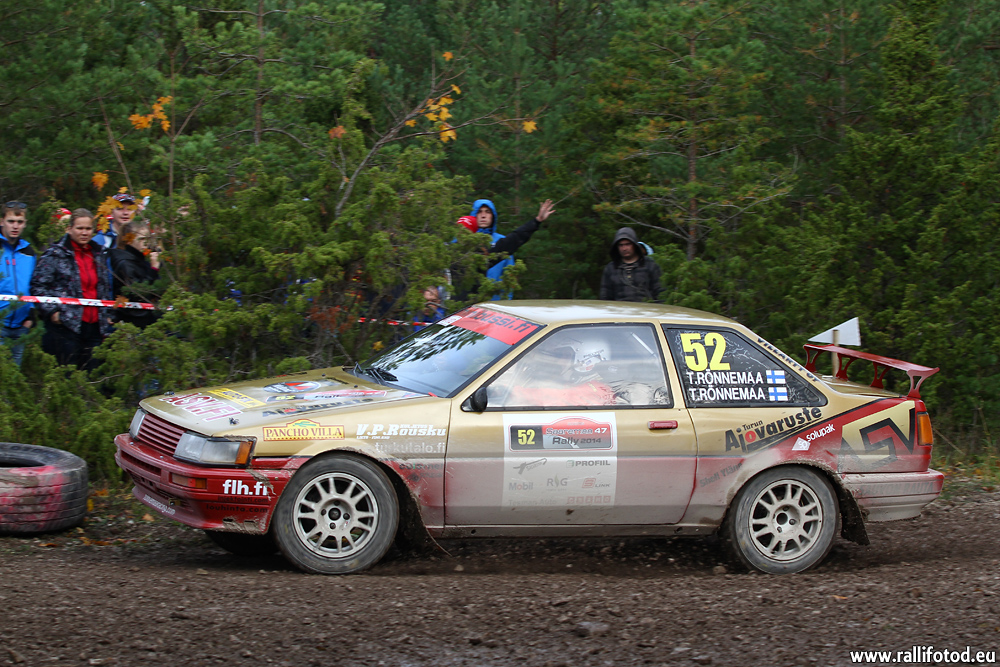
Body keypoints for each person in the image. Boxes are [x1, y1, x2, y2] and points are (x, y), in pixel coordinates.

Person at [30, 209, 113, 370]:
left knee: (93, 374)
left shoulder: (99, 253)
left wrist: (108, 313)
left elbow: (104, 286)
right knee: (66, 374)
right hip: (65, 325)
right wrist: (52, 312)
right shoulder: (55, 254)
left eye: (88, 228)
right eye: (79, 228)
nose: (84, 233)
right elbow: (38, 285)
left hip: (95, 326)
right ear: (69, 229)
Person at [457, 198, 555, 293]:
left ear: (493, 216)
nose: (483, 216)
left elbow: (510, 275)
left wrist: (537, 221)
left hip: (494, 299)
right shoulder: (455, 247)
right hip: (462, 300)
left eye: (487, 212)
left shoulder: (500, 243)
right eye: (479, 212)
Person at [0, 201, 36, 366]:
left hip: (21, 325)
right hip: (1, 322)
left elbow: (33, 285)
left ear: (25, 223)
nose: (15, 226)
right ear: (2, 221)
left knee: (15, 375)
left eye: (20, 222)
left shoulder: (29, 252)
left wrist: (31, 316)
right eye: (11, 221)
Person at [110, 221, 161, 329]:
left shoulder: (142, 259)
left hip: (148, 318)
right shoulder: (125, 263)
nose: (146, 243)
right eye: (141, 239)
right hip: (133, 319)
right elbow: (137, 293)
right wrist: (153, 270)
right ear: (128, 240)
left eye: (147, 238)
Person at [599, 227, 662, 302]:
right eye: (621, 245)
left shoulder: (650, 265)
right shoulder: (610, 268)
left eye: (628, 244)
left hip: (645, 308)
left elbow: (660, 292)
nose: (624, 248)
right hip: (619, 308)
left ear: (634, 245)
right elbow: (605, 297)